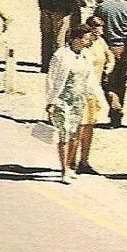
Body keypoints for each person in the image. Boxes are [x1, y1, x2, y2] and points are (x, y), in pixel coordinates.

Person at [45, 24, 94, 183]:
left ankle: (69, 164)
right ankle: (64, 170)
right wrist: (51, 101)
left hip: (78, 100)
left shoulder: (86, 55)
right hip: (62, 99)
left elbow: (89, 78)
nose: (88, 42)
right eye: (86, 38)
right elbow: (52, 79)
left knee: (75, 134)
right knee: (64, 133)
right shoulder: (61, 55)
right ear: (76, 39)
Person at [77, 14, 114, 174]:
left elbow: (109, 55)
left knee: (90, 126)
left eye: (101, 30)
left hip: (95, 89)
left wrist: (110, 65)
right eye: (96, 31)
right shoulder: (83, 46)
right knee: (79, 126)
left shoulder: (100, 42)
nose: (99, 34)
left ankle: (84, 161)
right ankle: (71, 160)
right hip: (82, 89)